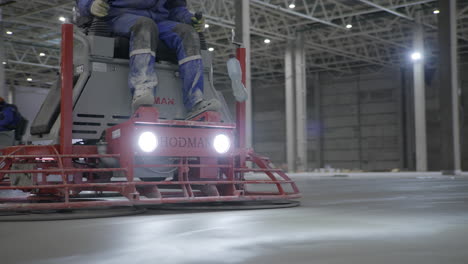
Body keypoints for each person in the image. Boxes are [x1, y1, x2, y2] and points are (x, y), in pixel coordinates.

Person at [77, 0, 220, 118]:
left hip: (159, 20)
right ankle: (142, 88)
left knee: (189, 33)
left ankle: (195, 101)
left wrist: (190, 19)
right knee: (145, 26)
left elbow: (175, 8)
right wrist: (91, 5)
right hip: (119, 16)